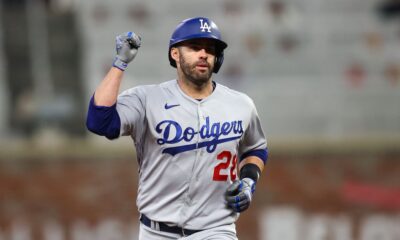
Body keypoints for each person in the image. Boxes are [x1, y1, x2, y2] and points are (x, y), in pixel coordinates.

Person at [86, 17, 268, 240]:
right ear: (175, 54)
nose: (203, 54)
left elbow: (255, 149)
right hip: (156, 231)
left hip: (216, 229)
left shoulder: (241, 104)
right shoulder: (147, 99)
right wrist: (120, 64)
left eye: (210, 49)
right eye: (194, 47)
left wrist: (249, 180)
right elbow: (99, 121)